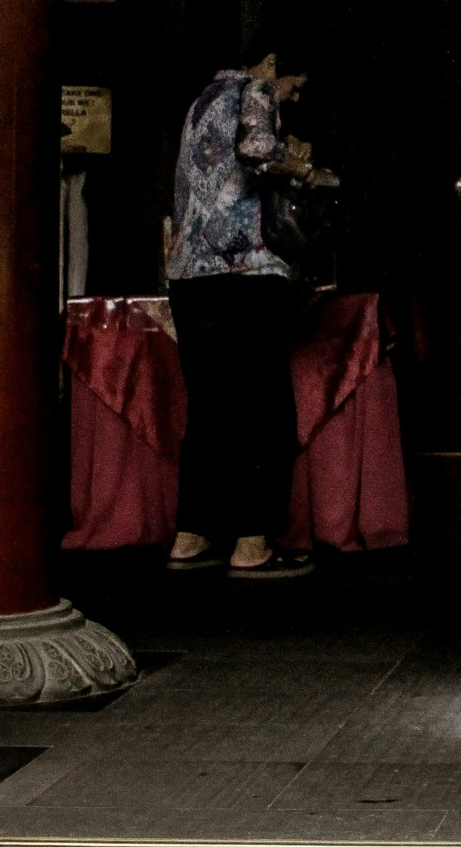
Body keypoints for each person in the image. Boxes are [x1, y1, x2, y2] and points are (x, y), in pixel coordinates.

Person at [162, 46, 335, 580]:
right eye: (294, 82)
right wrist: (303, 169)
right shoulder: (253, 89)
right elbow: (257, 150)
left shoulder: (201, 102)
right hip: (246, 274)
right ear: (271, 61)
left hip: (191, 276)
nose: (294, 94)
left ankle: (191, 536)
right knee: (262, 409)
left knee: (210, 409)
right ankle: (252, 543)